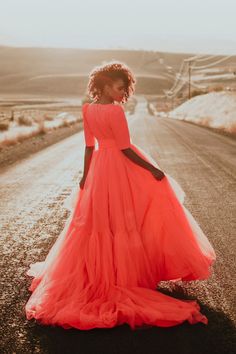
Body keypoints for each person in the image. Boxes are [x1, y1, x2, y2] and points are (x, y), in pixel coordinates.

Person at [24, 60, 216, 330]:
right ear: (103, 85)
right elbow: (125, 148)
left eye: (124, 89)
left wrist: (85, 176)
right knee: (129, 218)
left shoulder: (88, 109)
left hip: (100, 169)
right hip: (118, 167)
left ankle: (104, 273)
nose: (121, 94)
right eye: (118, 88)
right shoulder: (115, 112)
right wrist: (153, 170)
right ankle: (124, 277)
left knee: (100, 222)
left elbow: (90, 148)